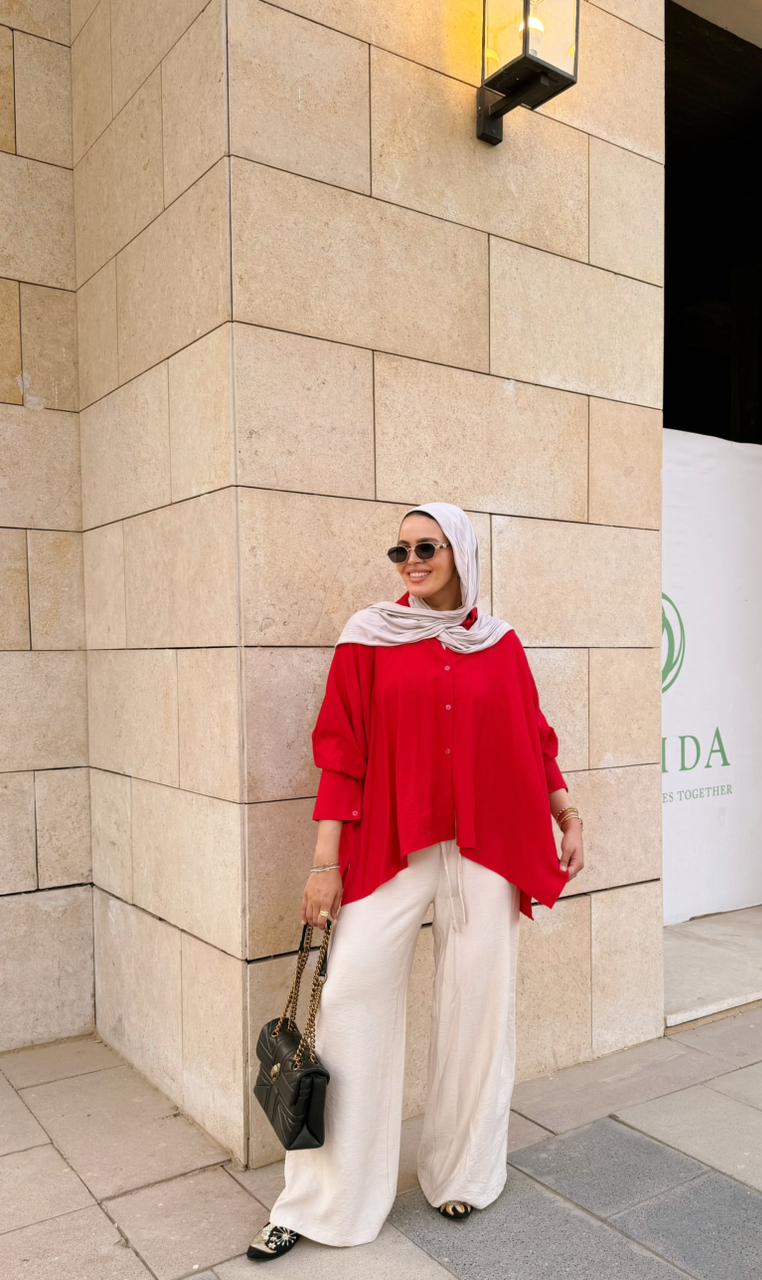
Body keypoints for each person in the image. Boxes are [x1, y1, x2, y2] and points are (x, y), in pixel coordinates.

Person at [247, 501, 585, 1260]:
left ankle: (462, 1171)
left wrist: (566, 811)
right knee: (350, 997)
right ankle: (324, 1202)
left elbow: (533, 735)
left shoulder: (499, 644)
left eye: (426, 547)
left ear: (459, 551)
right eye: (399, 551)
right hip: (393, 847)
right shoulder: (367, 639)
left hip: (487, 848)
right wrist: (324, 864)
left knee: (479, 1007)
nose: (411, 562)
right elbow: (341, 752)